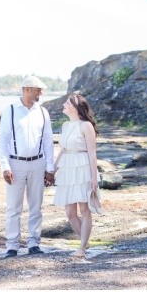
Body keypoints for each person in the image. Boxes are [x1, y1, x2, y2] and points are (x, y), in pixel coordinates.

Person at [0, 75, 55, 258]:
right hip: (15, 164)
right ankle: (12, 246)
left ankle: (33, 243)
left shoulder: (43, 112)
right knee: (13, 207)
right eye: (38, 90)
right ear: (27, 89)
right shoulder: (11, 111)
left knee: (36, 206)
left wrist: (50, 168)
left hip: (38, 163)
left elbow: (48, 141)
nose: (41, 93)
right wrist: (5, 166)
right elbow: (3, 141)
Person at [51, 93, 101, 258]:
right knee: (70, 213)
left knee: (85, 209)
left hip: (83, 168)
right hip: (68, 169)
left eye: (67, 102)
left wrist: (94, 178)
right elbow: (63, 151)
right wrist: (53, 171)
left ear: (75, 107)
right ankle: (85, 243)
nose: (64, 104)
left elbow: (92, 153)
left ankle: (81, 248)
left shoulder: (86, 126)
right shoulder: (65, 125)